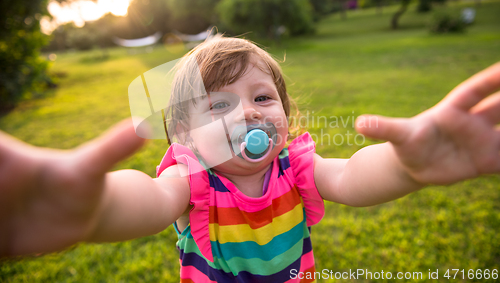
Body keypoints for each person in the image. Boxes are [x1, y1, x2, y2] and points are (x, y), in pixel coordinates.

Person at [1, 37, 499, 282]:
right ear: (184, 136)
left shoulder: (296, 166)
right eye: (218, 105)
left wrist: (407, 167)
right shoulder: (190, 179)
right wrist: (93, 208)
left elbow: (351, 175)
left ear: (285, 113)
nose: (246, 112)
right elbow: (149, 199)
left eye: (262, 98)